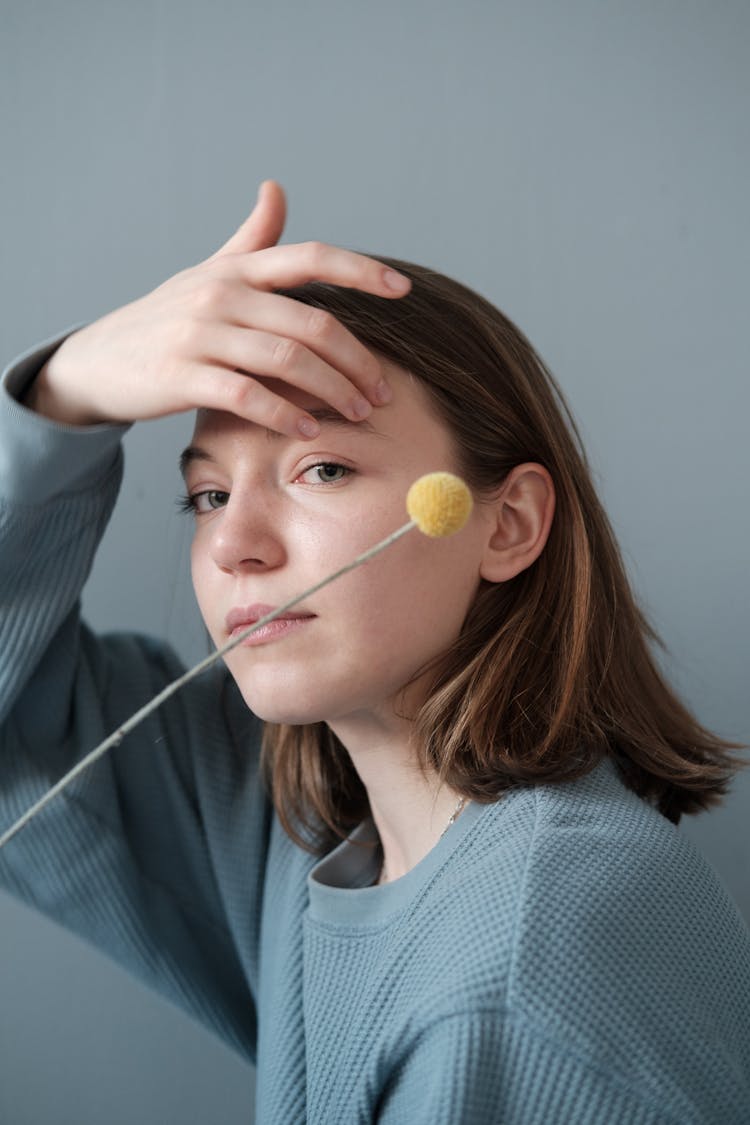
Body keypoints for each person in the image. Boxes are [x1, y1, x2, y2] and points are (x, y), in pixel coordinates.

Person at [1, 180, 749, 1124]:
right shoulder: (291, 820)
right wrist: (68, 392)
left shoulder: (525, 967)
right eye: (208, 496)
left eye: (322, 467)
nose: (235, 545)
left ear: (508, 524)